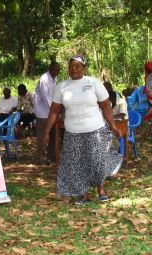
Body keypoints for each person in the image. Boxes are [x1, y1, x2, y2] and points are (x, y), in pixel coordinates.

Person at [43, 55, 123, 205]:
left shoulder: (93, 83)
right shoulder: (62, 86)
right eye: (71, 66)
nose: (74, 69)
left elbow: (106, 105)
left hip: (95, 129)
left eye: (77, 66)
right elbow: (54, 111)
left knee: (98, 160)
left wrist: (112, 124)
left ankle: (101, 189)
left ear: (84, 68)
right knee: (77, 163)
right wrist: (47, 131)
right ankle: (84, 195)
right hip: (73, 132)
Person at [34, 61, 61, 163]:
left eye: (58, 70)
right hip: (42, 112)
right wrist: (56, 110)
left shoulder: (55, 78)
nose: (56, 72)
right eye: (54, 70)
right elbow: (46, 99)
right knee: (42, 135)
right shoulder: (44, 79)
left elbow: (54, 95)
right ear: (50, 69)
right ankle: (40, 157)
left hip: (51, 111)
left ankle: (51, 156)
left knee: (53, 134)